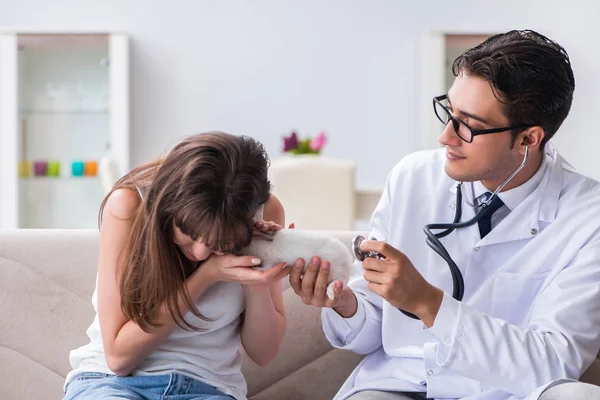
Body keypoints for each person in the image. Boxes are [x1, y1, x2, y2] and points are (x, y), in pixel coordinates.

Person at [290, 30, 600, 399]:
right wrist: (346, 303)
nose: (445, 137)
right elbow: (376, 322)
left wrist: (429, 302)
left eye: (469, 125)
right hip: (400, 384)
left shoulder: (587, 218)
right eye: (449, 111)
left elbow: (552, 362)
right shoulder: (412, 177)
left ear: (528, 139)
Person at [63, 132, 291, 400]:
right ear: (169, 203)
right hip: (111, 382)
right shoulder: (128, 206)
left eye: (220, 243)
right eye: (190, 234)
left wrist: (256, 277)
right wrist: (206, 277)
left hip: (208, 387)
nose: (200, 252)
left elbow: (263, 354)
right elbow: (118, 357)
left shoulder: (265, 212)